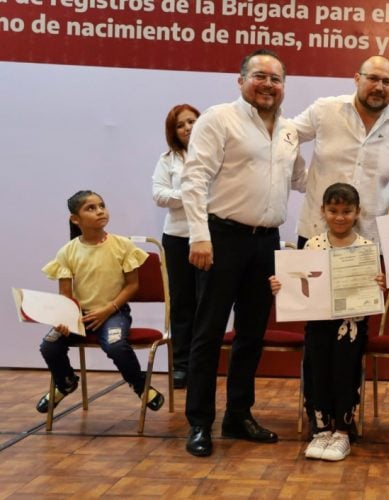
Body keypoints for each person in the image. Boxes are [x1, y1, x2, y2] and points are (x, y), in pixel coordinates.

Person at [180, 49, 305, 457]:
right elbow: (195, 178)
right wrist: (199, 236)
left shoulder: (289, 132)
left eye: (276, 78)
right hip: (221, 238)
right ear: (241, 80)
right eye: (259, 76)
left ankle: (238, 414)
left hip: (267, 241)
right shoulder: (219, 118)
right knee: (208, 333)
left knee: (251, 334)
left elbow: (303, 179)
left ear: (284, 86)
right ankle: (199, 422)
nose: (268, 84)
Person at [291, 54, 389, 433]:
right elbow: (282, 140)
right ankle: (317, 417)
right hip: (315, 238)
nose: (379, 87)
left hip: (367, 248)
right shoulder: (324, 110)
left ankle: (345, 418)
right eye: (373, 78)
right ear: (357, 78)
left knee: (351, 338)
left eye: (388, 82)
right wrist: (300, 180)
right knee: (316, 335)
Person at [270, 183, 385, 462]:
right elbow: (299, 281)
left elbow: (371, 289)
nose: (340, 217)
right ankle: (321, 428)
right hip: (319, 324)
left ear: (358, 212)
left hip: (352, 325)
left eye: (347, 211)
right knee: (317, 371)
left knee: (345, 374)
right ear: (323, 211)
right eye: (333, 210)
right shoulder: (313, 244)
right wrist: (281, 285)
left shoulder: (366, 248)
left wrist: (378, 284)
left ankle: (343, 430)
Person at [36, 190, 165, 414]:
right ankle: (65, 382)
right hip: (80, 316)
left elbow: (132, 286)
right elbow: (65, 295)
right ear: (75, 219)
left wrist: (108, 310)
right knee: (49, 345)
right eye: (91, 208)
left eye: (102, 206)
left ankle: (140, 386)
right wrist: (64, 319)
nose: (100, 211)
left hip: (114, 312)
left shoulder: (122, 245)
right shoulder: (67, 252)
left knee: (115, 345)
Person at [152, 103, 201, 389]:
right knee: (182, 303)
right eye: (181, 125)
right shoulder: (168, 159)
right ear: (174, 131)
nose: (187, 128)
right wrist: (192, 195)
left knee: (206, 302)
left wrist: (181, 196)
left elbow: (220, 195)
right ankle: (181, 365)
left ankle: (202, 363)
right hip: (177, 237)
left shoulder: (217, 155)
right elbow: (159, 195)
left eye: (192, 122)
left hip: (208, 236)